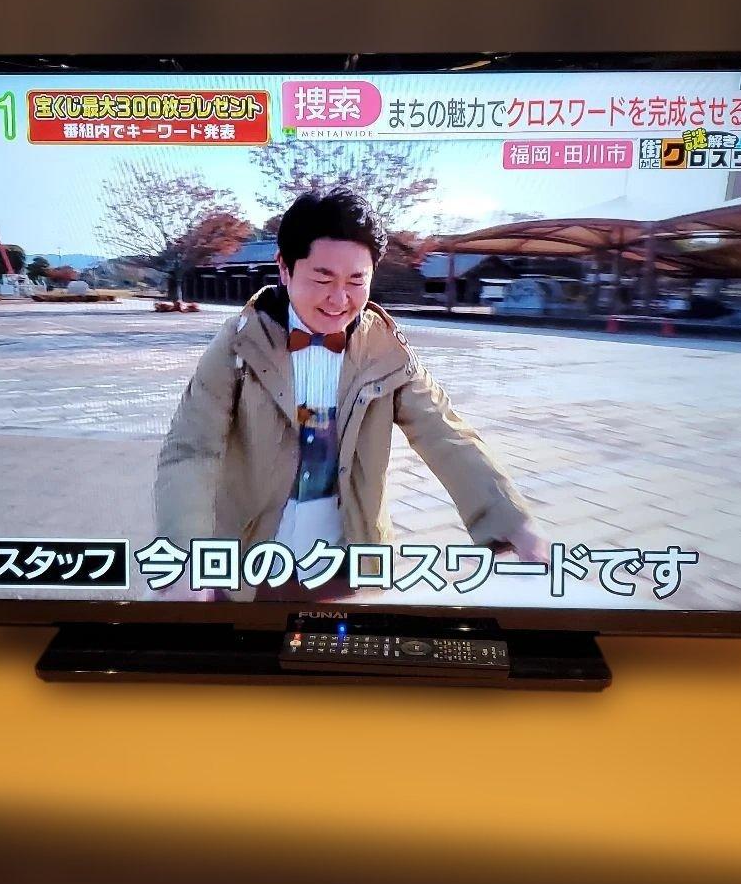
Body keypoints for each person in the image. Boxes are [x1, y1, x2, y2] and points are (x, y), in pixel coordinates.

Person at [154, 187, 541, 602]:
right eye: (322, 279)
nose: (339, 300)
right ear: (284, 267)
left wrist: (512, 521)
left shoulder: (386, 350)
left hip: (345, 563)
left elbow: (444, 432)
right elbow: (192, 448)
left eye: (357, 280)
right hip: (248, 562)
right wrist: (186, 555)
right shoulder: (239, 343)